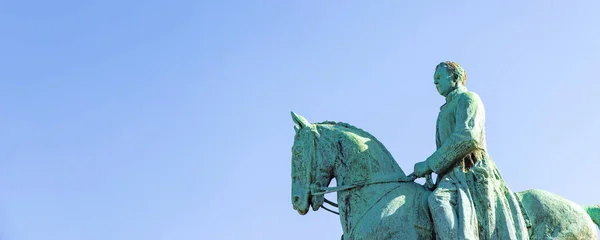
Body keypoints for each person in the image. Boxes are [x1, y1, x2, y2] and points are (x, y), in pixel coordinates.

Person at [411, 62, 528, 239]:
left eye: (439, 78)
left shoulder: (468, 99)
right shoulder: (442, 112)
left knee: (438, 201)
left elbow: (468, 137)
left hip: (470, 169)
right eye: (434, 80)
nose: (435, 83)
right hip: (450, 174)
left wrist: (429, 164)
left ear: (455, 77)